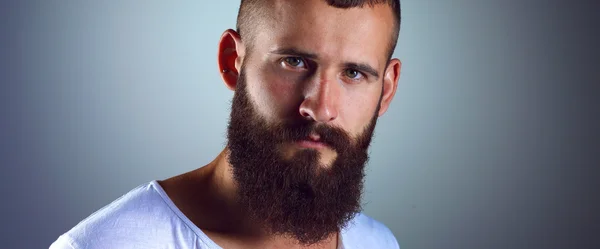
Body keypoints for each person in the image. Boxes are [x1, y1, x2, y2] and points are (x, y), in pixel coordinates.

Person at [50, 0, 402, 248]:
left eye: (353, 73)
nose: (321, 108)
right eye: (293, 62)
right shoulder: (106, 245)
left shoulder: (378, 242)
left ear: (385, 91)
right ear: (233, 62)